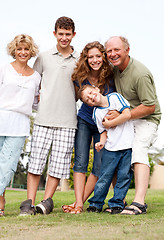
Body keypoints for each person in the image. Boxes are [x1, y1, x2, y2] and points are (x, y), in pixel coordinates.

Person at [19, 16, 79, 215]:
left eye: (67, 34)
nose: (64, 38)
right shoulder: (43, 57)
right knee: (36, 162)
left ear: (73, 35)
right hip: (44, 118)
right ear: (55, 34)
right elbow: (33, 85)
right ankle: (29, 202)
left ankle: (45, 203)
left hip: (68, 121)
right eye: (60, 34)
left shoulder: (79, 60)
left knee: (58, 165)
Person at [0, 34, 41, 219]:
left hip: (20, 125)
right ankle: (1, 201)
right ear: (13, 51)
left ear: (31, 52)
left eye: (26, 49)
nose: (23, 52)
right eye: (19, 49)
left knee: (6, 166)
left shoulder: (36, 77)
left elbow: (36, 103)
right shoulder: (3, 69)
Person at [105, 36, 161, 215]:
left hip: (147, 118)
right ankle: (119, 200)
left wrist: (123, 115)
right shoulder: (114, 71)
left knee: (138, 149)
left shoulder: (140, 73)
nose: (113, 54)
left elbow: (150, 106)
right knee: (114, 150)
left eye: (117, 50)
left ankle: (139, 203)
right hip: (128, 118)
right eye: (109, 51)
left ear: (127, 50)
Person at [62, 41, 115, 214]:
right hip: (84, 120)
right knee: (80, 162)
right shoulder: (80, 76)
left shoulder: (111, 76)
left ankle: (78, 204)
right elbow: (74, 98)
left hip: (103, 125)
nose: (94, 60)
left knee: (99, 167)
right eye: (90, 57)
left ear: (103, 57)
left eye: (98, 56)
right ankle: (78, 204)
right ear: (86, 59)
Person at [79, 84, 134, 214]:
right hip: (110, 148)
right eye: (88, 99)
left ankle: (117, 203)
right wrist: (101, 143)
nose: (91, 97)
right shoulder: (96, 113)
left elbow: (127, 114)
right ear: (89, 104)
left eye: (91, 92)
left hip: (127, 146)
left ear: (96, 89)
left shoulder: (115, 97)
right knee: (104, 177)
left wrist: (110, 123)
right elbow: (103, 131)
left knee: (123, 176)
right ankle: (96, 203)